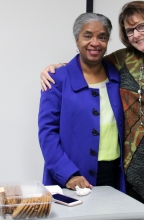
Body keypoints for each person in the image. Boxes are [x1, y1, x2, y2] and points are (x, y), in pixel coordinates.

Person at [40, 1, 144, 220]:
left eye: (141, 26)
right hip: (129, 176)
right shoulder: (125, 60)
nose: (136, 35)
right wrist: (55, 67)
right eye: (130, 31)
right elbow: (88, 60)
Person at [38, 12, 126, 193]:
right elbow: (47, 133)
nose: (95, 43)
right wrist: (69, 174)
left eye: (102, 37)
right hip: (72, 177)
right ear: (77, 40)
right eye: (87, 36)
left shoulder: (118, 76)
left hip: (112, 174)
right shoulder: (57, 79)